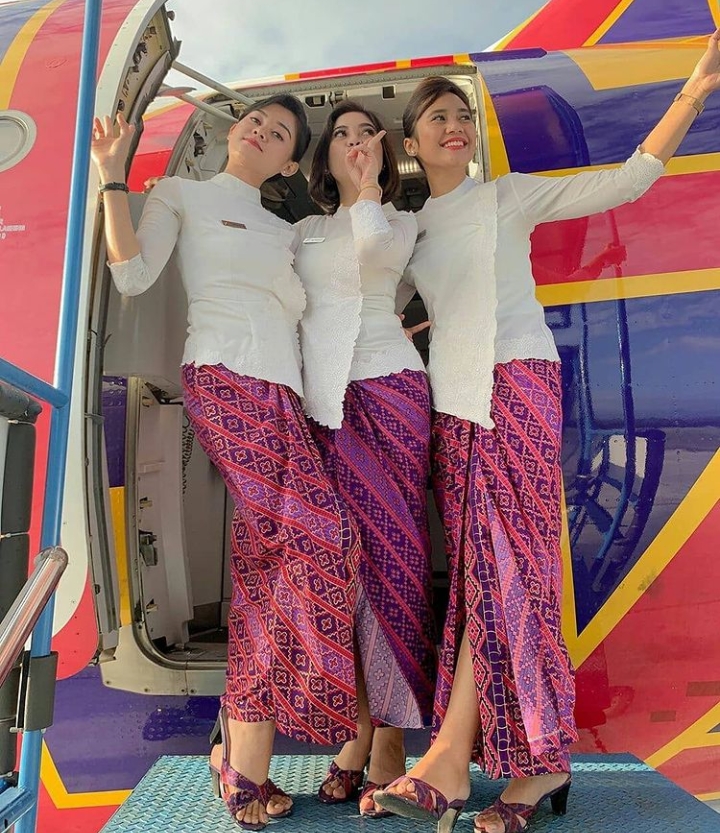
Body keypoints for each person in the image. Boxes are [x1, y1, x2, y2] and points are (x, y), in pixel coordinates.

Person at [375, 30, 720, 833]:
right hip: (455, 410)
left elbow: (629, 180)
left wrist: (697, 89)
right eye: (436, 117)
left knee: (507, 566)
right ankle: (534, 763)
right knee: (488, 577)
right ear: (411, 142)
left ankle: (451, 759)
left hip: (517, 386)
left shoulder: (507, 197)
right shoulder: (409, 232)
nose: (453, 126)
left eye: (460, 115)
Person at [91, 96, 363, 831]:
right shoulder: (184, 195)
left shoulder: (286, 231)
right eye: (257, 120)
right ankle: (275, 740)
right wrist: (113, 177)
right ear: (237, 131)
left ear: (287, 162)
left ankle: (242, 761)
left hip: (285, 394)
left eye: (281, 132)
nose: (263, 130)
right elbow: (132, 276)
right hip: (225, 377)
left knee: (263, 573)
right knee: (322, 536)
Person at [293, 101, 436, 818]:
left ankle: (390, 743)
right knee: (342, 566)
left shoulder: (397, 221)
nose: (353, 143)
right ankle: (359, 728)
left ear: (384, 147)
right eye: (341, 136)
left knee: (395, 558)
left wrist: (372, 188)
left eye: (365, 134)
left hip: (392, 387)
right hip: (326, 404)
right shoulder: (303, 232)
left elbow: (375, 251)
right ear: (322, 156)